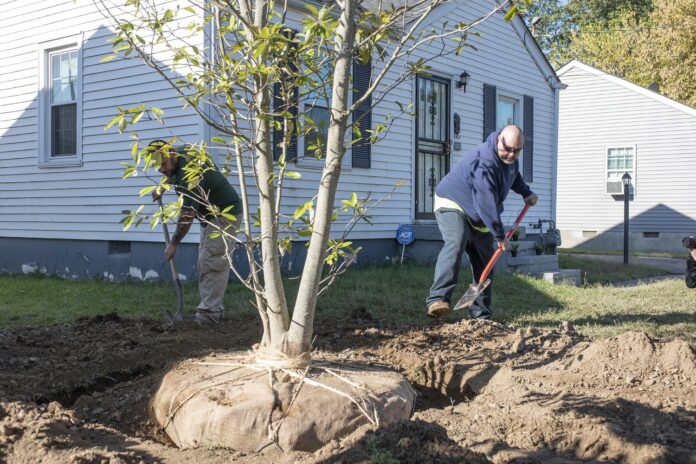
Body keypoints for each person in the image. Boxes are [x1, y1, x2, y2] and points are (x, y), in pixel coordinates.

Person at [426, 125, 538, 320]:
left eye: (516, 151)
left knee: (486, 261)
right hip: (454, 202)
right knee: (457, 241)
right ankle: (438, 299)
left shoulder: (510, 161)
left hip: (479, 213)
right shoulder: (484, 162)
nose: (511, 155)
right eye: (508, 149)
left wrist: (526, 192)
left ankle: (480, 315)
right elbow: (485, 202)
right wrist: (499, 236)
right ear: (498, 140)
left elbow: (514, 176)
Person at [150, 140, 242, 324]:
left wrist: (173, 244)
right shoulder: (183, 155)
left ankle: (208, 315)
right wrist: (162, 186)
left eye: (164, 164)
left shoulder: (187, 175)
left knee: (211, 263)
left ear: (172, 153)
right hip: (212, 216)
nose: (162, 170)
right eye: (158, 167)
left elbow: (187, 216)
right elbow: (171, 172)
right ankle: (214, 309)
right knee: (208, 261)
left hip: (224, 215)